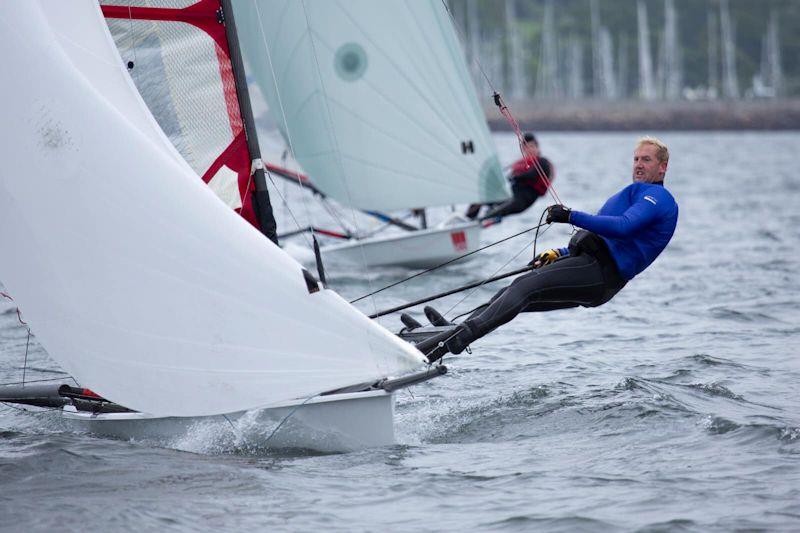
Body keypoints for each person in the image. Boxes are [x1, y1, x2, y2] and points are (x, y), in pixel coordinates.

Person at [413, 136, 679, 362]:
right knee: (510, 294)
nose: (639, 165)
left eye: (647, 160)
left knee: (521, 290)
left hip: (600, 272)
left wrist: (570, 215)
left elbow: (622, 227)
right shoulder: (633, 193)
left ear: (662, 167)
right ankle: (451, 332)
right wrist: (560, 254)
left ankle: (449, 342)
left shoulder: (658, 198)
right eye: (636, 159)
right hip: (590, 268)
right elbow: (599, 236)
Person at [466, 132, 554, 221]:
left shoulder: (543, 162)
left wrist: (513, 177)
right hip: (510, 196)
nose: (529, 149)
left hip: (521, 201)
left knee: (491, 214)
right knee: (480, 199)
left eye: (532, 146)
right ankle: (466, 220)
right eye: (526, 147)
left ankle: (480, 221)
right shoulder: (521, 164)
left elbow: (532, 175)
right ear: (523, 150)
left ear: (538, 148)